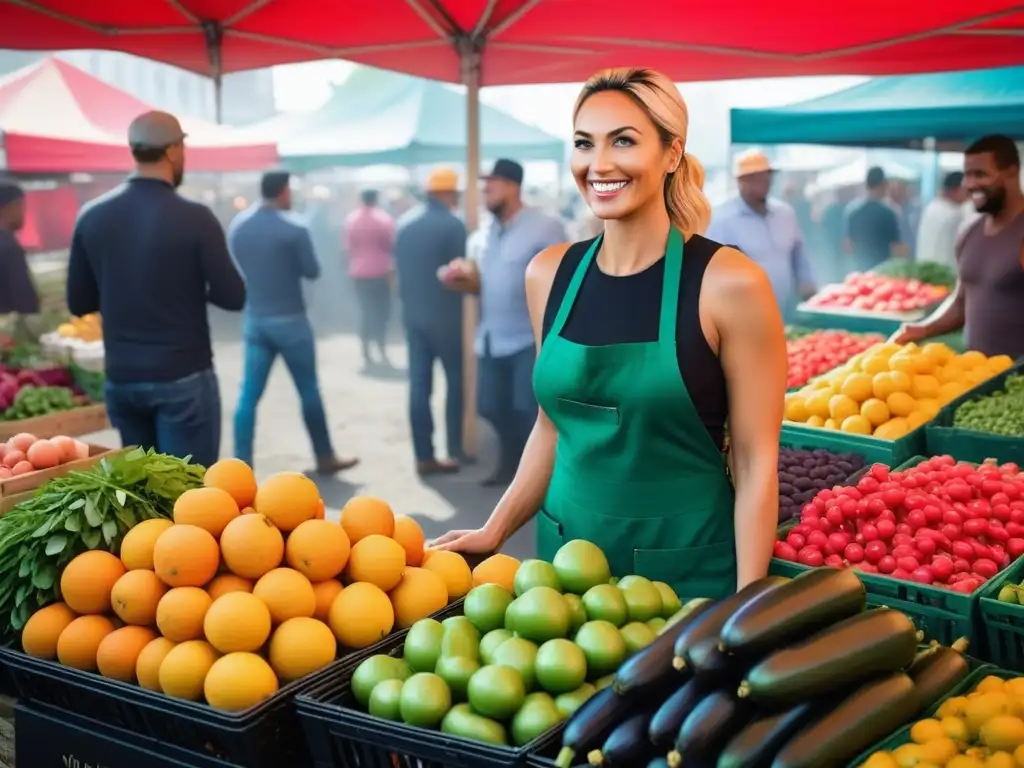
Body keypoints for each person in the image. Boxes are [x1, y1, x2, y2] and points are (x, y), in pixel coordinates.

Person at [429, 68, 786, 597]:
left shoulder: (730, 283)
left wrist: (747, 603)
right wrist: (495, 528)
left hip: (685, 573)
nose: (599, 164)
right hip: (561, 570)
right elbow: (553, 428)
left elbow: (756, 461)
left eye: (623, 140)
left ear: (671, 154)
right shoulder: (548, 275)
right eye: (583, 143)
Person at [66, 111, 246, 467]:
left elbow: (79, 302)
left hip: (123, 381)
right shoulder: (196, 217)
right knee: (190, 500)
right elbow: (233, 296)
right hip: (184, 378)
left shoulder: (92, 215)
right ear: (175, 150)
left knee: (143, 497)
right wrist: (188, 284)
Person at [439, 159, 566, 487]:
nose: (484, 192)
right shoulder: (480, 235)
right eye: (483, 186)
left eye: (491, 185)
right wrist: (459, 279)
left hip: (530, 339)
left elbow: (564, 280)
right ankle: (511, 466)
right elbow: (479, 283)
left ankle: (539, 481)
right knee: (490, 406)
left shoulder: (546, 227)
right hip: (491, 339)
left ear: (513, 185)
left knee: (528, 412)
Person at [228, 171, 359, 474]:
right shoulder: (295, 228)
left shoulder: (240, 225)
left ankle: (239, 465)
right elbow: (312, 270)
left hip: (256, 318)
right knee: (309, 390)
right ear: (285, 192)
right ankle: (324, 456)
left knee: (248, 395)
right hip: (290, 320)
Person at [893, 135, 1024, 358]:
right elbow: (962, 300)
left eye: (980, 174)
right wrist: (923, 328)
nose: (970, 184)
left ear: (1012, 171)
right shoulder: (969, 231)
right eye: (967, 175)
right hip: (976, 376)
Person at [394, 168, 466, 475]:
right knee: (455, 382)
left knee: (419, 387)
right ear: (448, 193)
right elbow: (461, 273)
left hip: (413, 317)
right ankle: (455, 447)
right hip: (448, 318)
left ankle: (424, 455)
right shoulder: (453, 225)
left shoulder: (404, 224)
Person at [706, 150, 815, 318]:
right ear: (740, 180)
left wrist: (806, 283)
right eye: (754, 177)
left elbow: (798, 252)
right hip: (745, 315)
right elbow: (711, 270)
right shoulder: (723, 219)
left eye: (766, 175)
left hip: (786, 307)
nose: (763, 181)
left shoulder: (785, 214)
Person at [344, 188, 396, 368]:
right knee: (382, 314)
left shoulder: (351, 219)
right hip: (381, 272)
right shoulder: (384, 219)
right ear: (376, 199)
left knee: (365, 312)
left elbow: (347, 246)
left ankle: (365, 353)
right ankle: (381, 349)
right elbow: (391, 244)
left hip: (358, 272)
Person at [843, 167, 906, 272]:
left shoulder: (852, 211)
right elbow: (897, 248)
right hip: (882, 272)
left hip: (859, 271)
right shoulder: (889, 212)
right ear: (883, 185)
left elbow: (848, 246)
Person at [0, 181, 39, 322]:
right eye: (22, 206)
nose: (23, 212)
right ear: (10, 207)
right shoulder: (8, 248)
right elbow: (24, 301)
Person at [915, 172, 966, 267]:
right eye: (967, 191)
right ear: (958, 189)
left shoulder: (931, 207)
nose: (968, 197)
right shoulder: (955, 214)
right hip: (946, 273)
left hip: (924, 268)